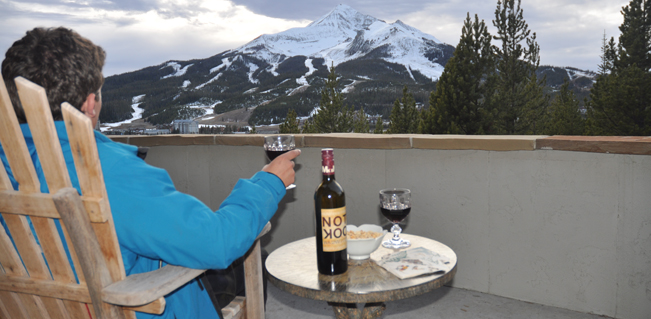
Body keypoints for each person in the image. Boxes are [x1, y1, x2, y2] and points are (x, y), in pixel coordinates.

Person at [0, 27, 300, 319]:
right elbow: (217, 242)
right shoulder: (106, 170)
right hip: (137, 304)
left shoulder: (8, 166)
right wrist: (268, 183)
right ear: (90, 105)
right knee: (247, 255)